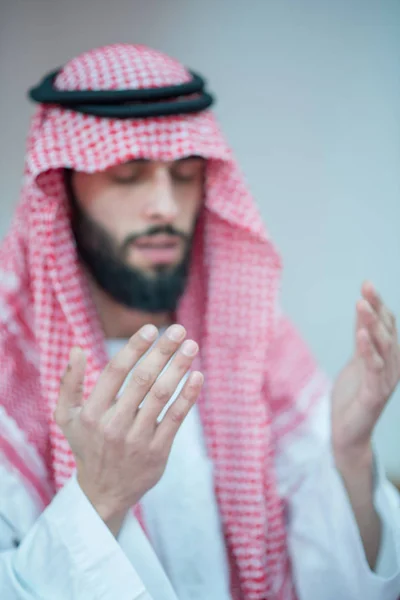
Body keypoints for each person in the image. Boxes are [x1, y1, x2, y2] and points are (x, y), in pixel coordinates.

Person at [0, 43, 399, 600]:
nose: (164, 205)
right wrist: (98, 498)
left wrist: (351, 453)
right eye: (128, 175)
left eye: (185, 175)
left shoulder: (258, 351)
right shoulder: (8, 374)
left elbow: (342, 585)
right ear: (63, 188)